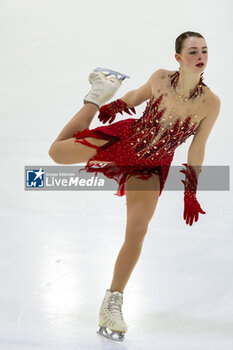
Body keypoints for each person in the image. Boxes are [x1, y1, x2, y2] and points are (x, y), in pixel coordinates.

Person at [48, 31, 221, 342]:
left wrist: (191, 192)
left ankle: (112, 302)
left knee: (138, 230)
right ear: (178, 58)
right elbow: (135, 97)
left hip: (151, 167)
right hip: (125, 140)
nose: (201, 57)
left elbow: (197, 149)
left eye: (205, 51)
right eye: (193, 51)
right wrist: (111, 105)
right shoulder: (159, 78)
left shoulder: (211, 103)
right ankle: (97, 93)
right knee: (57, 153)